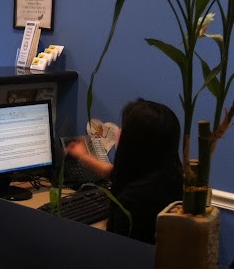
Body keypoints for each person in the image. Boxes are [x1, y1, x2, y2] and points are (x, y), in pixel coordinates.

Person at [65, 99, 183, 244]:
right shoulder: (170, 179)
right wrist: (83, 156)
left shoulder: (132, 201)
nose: (119, 131)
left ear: (135, 141)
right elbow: (113, 172)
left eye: (124, 128)